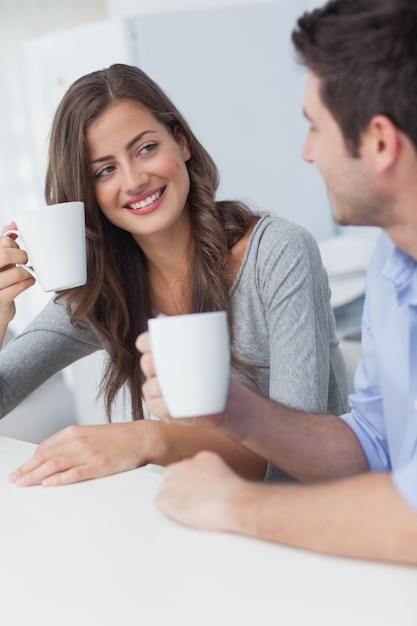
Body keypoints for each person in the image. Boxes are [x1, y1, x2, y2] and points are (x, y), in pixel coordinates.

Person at [138, 0, 417, 565]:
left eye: (316, 127)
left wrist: (235, 505)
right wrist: (231, 409)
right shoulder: (394, 256)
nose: (306, 150)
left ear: (381, 142)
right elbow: (371, 442)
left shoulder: (280, 247)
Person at [1, 64, 348, 487]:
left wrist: (150, 439)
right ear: (86, 194)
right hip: (205, 522)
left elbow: (298, 464)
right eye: (104, 170)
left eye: (146, 148)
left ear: (180, 142)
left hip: (310, 525)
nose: (134, 180)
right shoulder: (104, 291)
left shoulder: (277, 253)